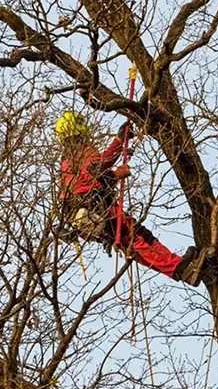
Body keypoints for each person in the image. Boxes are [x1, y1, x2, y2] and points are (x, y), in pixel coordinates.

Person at [55, 111, 206, 285]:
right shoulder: (81, 152)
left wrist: (115, 172)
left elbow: (92, 180)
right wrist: (119, 143)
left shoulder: (66, 163)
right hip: (98, 210)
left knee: (131, 246)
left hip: (84, 220)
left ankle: (179, 272)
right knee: (139, 236)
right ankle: (180, 268)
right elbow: (101, 164)